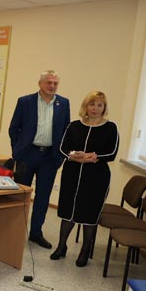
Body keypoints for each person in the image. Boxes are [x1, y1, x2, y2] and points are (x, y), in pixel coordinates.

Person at [52, 91, 119, 266]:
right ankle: (61, 246)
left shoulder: (110, 128)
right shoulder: (74, 126)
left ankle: (85, 251)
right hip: (72, 174)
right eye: (92, 104)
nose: (95, 108)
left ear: (104, 108)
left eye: (99, 105)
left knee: (89, 213)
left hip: (96, 177)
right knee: (68, 211)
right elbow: (62, 148)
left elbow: (112, 153)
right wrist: (74, 156)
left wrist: (93, 156)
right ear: (86, 106)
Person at [9, 70, 71, 249]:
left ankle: (36, 232)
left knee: (43, 197)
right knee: (21, 194)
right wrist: (18, 150)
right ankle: (15, 230)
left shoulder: (63, 103)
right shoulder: (25, 101)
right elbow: (14, 129)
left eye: (55, 83)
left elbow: (66, 131)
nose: (52, 86)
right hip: (27, 154)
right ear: (40, 83)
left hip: (50, 157)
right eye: (48, 82)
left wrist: (60, 156)